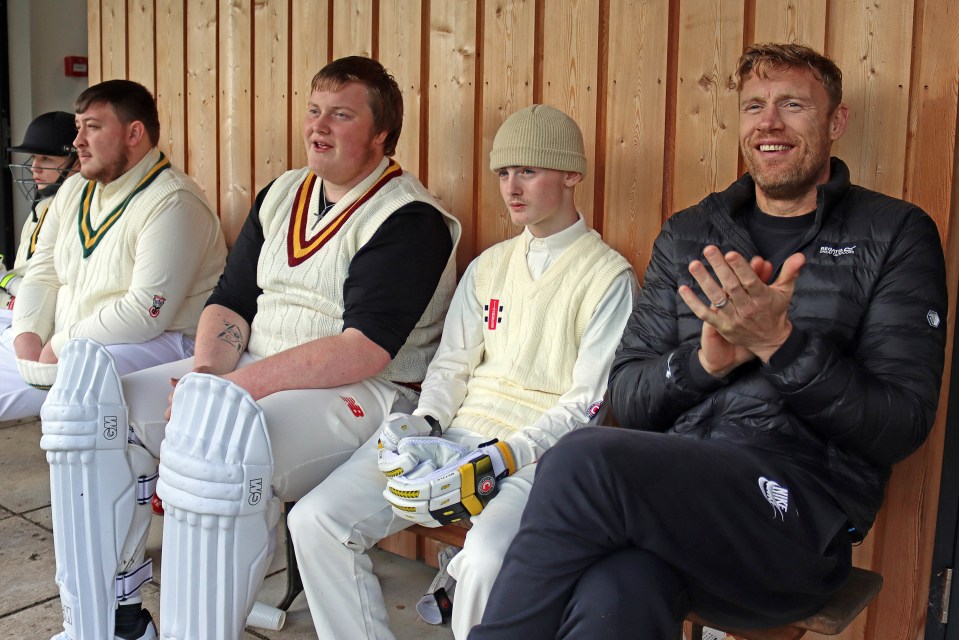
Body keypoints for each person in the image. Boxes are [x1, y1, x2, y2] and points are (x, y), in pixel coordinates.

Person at [470, 43, 948, 639]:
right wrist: (702, 363)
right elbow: (628, 395)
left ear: (836, 122)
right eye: (754, 107)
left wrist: (781, 345)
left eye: (793, 104)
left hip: (797, 519)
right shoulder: (692, 231)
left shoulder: (894, 233)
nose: (769, 123)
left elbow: (900, 423)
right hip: (677, 501)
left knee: (580, 459)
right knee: (616, 593)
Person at [40, 56, 461, 640]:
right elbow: (231, 298)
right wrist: (210, 370)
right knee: (87, 417)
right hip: (253, 369)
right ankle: (110, 618)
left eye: (341, 115)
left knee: (218, 442)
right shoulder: (284, 192)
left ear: (381, 132)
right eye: (314, 111)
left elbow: (363, 350)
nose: (318, 127)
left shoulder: (411, 218)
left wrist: (227, 391)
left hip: (365, 392)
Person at [287, 104, 636, 640]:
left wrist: (505, 455)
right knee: (315, 520)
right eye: (503, 173)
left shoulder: (608, 275)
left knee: (484, 561)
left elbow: (587, 404)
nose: (512, 188)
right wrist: (425, 423)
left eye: (529, 170)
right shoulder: (488, 266)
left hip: (536, 457)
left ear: (571, 175)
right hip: (452, 440)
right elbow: (450, 365)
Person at [0, 80, 226, 424]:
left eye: (92, 127)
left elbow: (145, 313)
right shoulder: (74, 188)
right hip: (72, 337)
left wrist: (59, 345)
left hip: (159, 342)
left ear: (134, 133)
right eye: (78, 128)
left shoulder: (174, 201)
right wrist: (28, 334)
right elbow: (42, 272)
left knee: (74, 396)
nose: (77, 142)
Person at [2, 111, 80, 318]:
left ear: (78, 160)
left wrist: (7, 281)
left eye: (46, 158)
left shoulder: (81, 209)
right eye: (34, 157)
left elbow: (56, 289)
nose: (34, 168)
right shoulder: (41, 206)